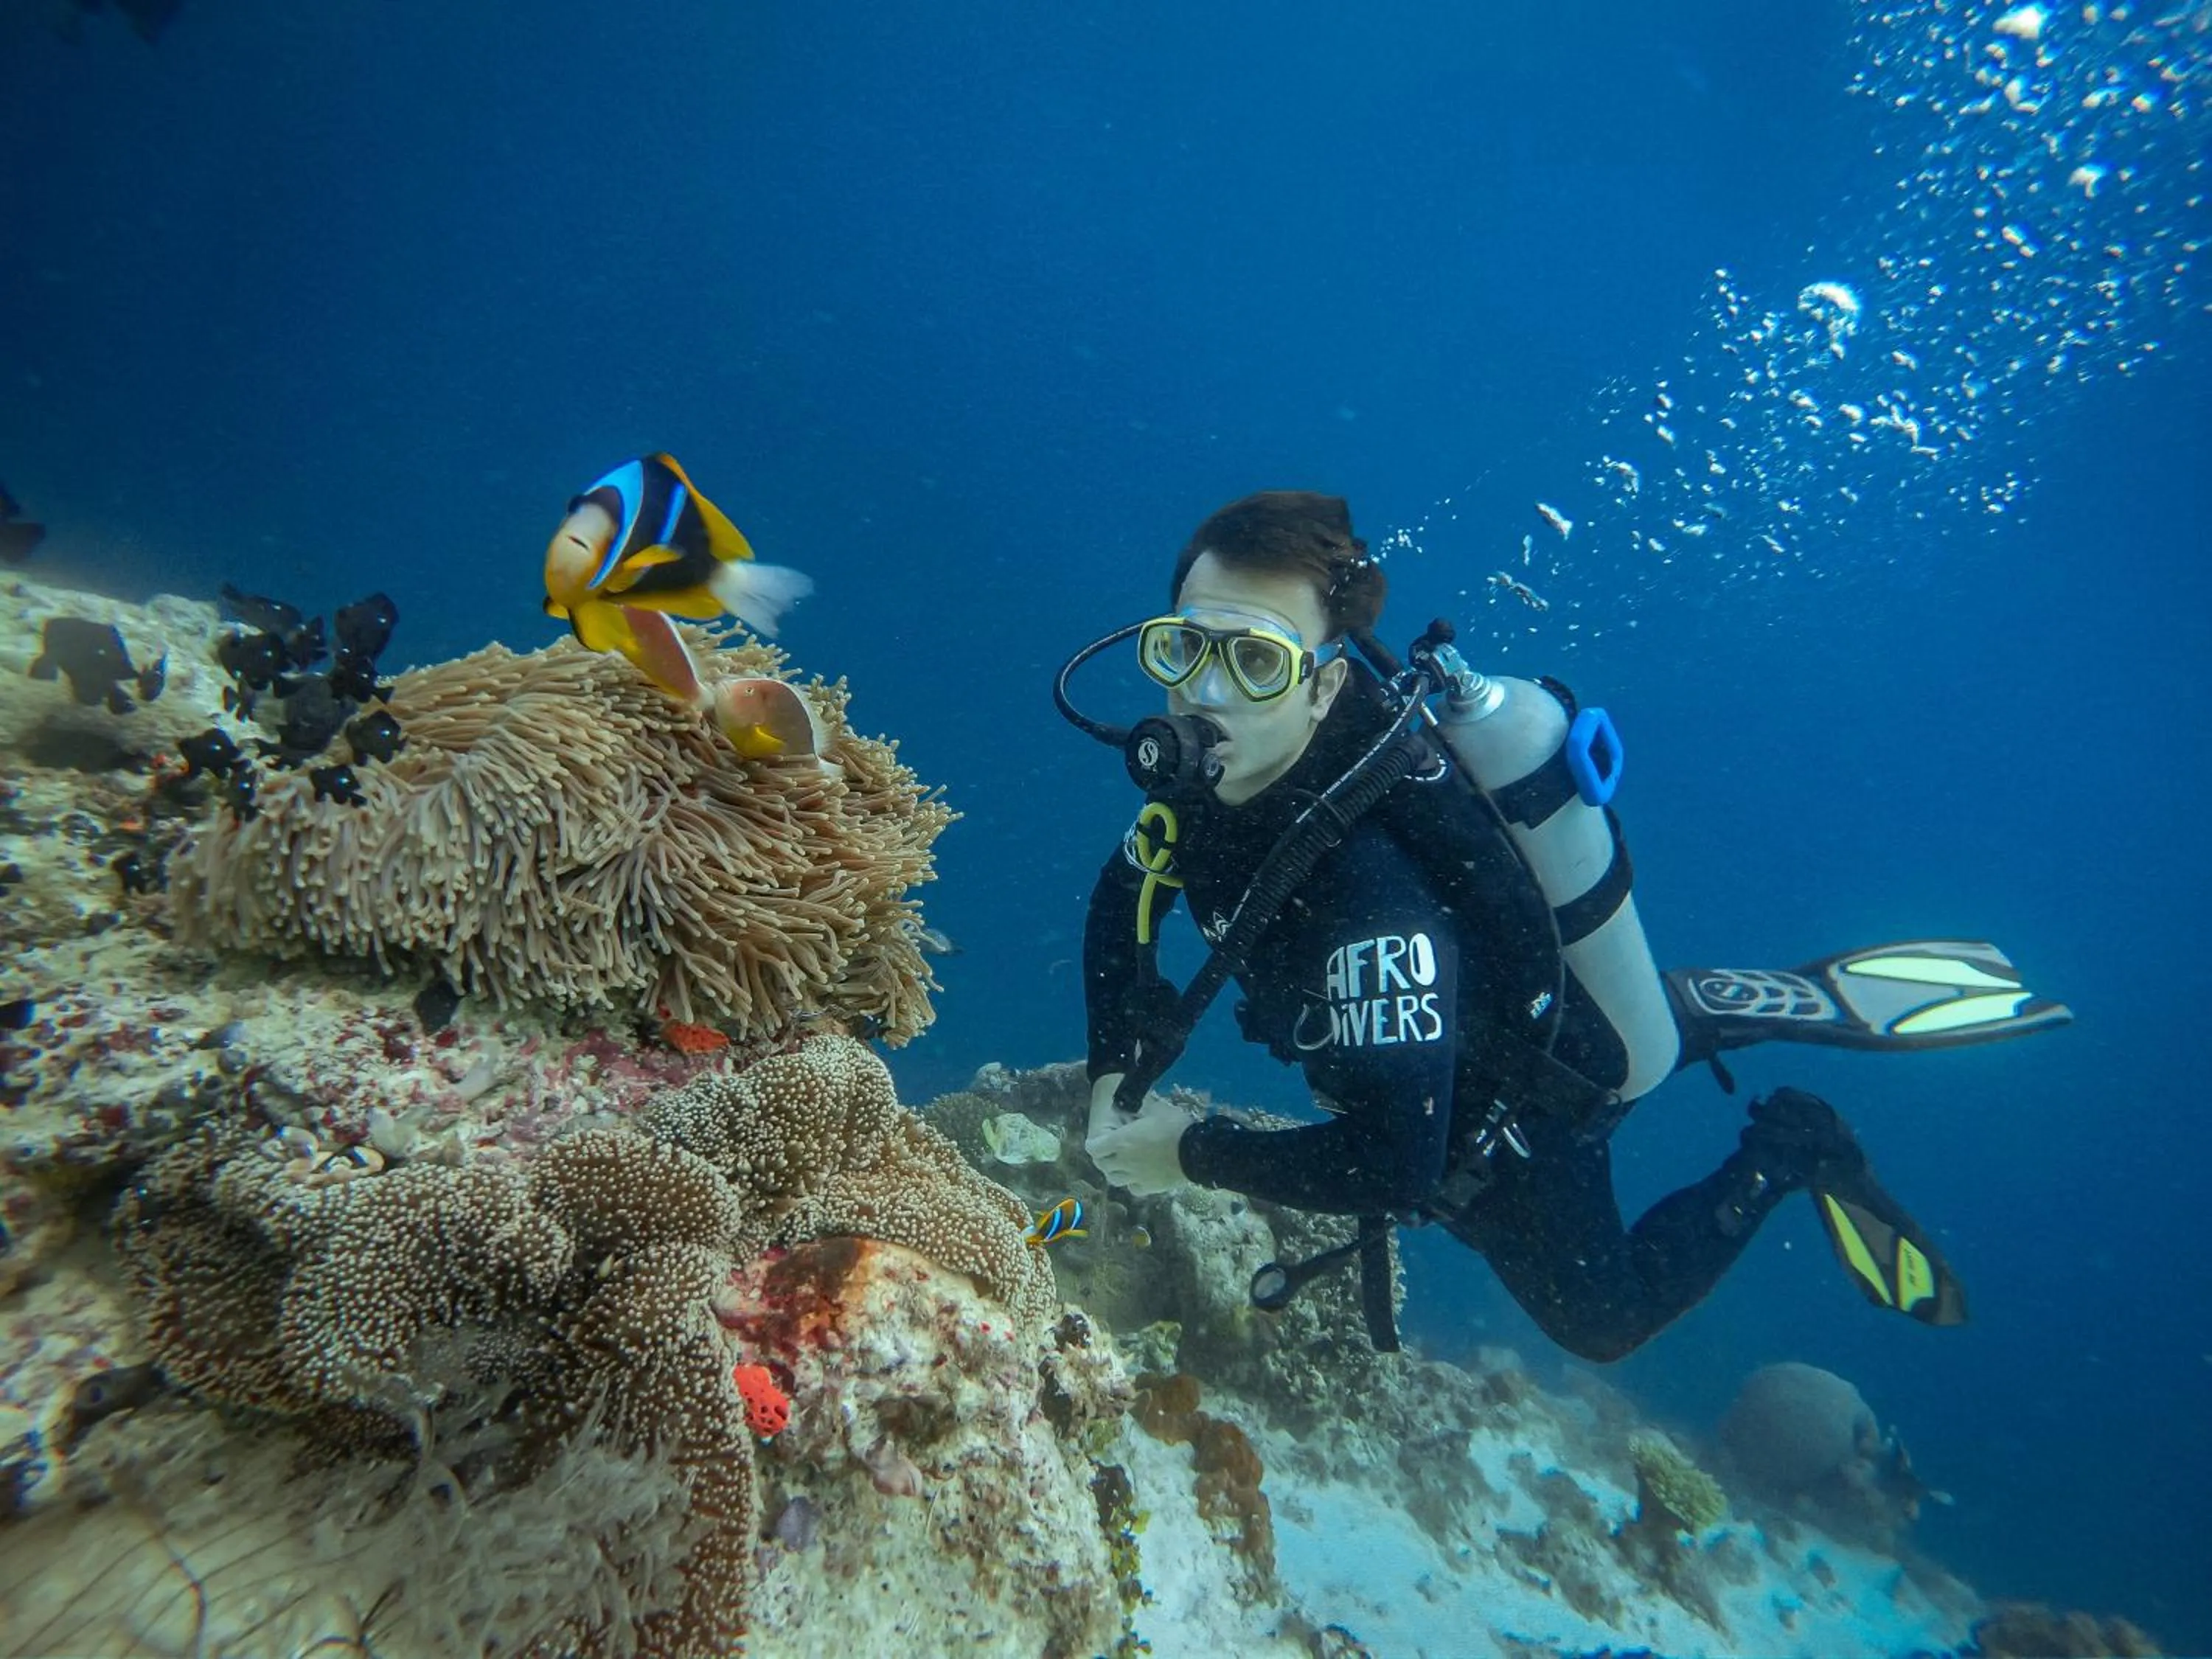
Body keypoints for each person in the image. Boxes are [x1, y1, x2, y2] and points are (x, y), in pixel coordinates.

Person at [1061, 491, 2067, 1362]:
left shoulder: (1368, 900)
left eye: (1255, 662)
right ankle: (1673, 1014)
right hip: (1490, 992)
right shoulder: (1221, 780)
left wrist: (1187, 1150)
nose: (1201, 689)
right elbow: (1124, 900)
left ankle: (1791, 1147)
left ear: (1326, 684)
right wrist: (1116, 1065)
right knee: (1630, 1035)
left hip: (1523, 1102)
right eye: (1183, 646)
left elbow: (1396, 1165)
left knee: (1604, 1321)